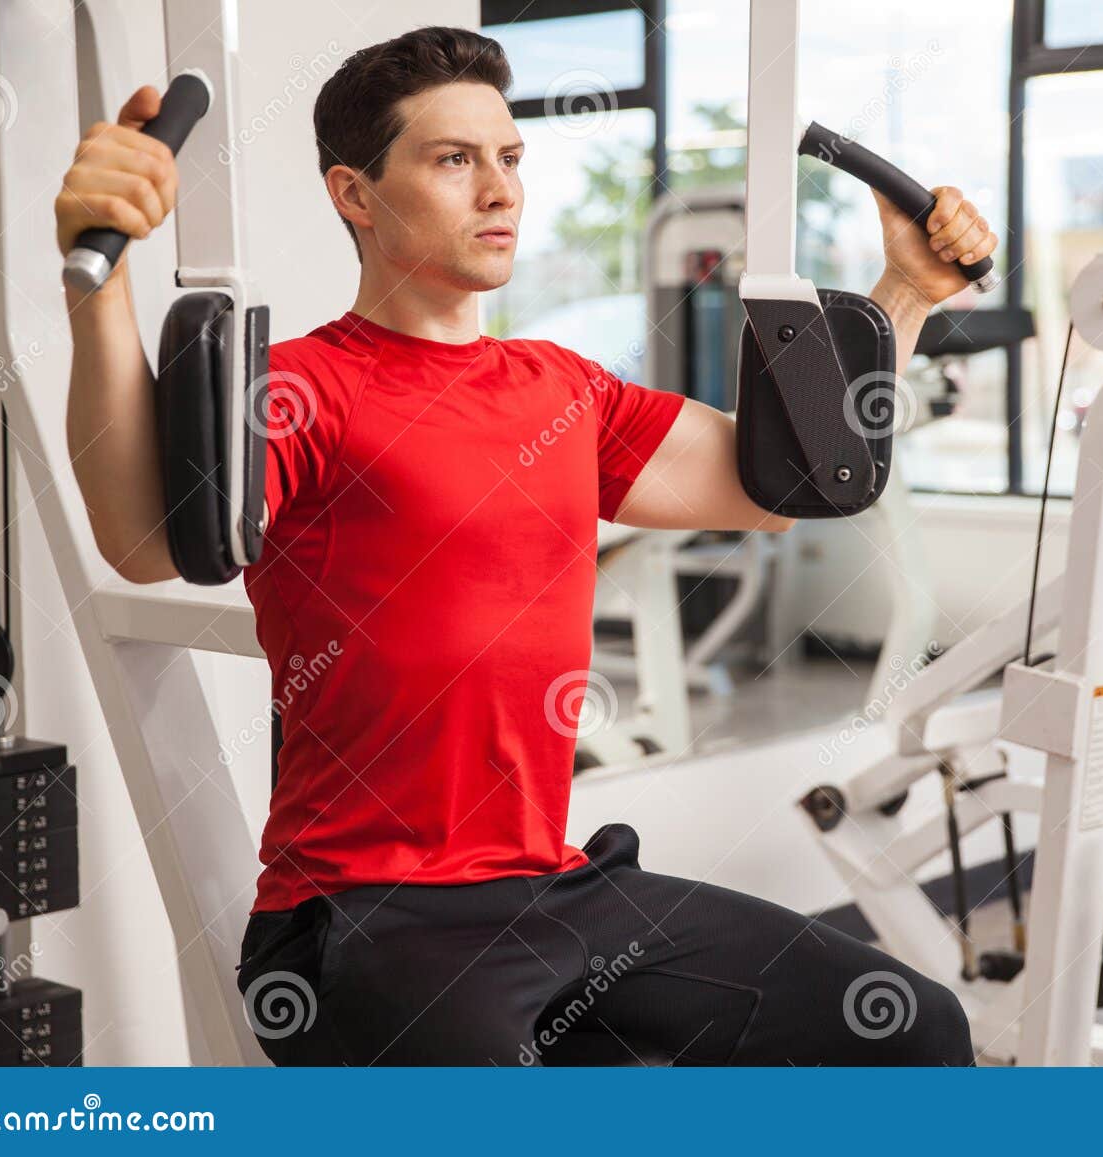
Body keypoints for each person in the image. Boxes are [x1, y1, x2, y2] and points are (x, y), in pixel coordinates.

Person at [57, 25, 996, 1066]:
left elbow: (781, 487)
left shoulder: (562, 388)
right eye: (453, 159)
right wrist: (98, 279)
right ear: (353, 194)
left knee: (913, 1024)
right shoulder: (303, 387)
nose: (500, 189)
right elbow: (144, 539)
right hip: (365, 917)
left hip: (558, 893)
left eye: (509, 157)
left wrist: (905, 292)